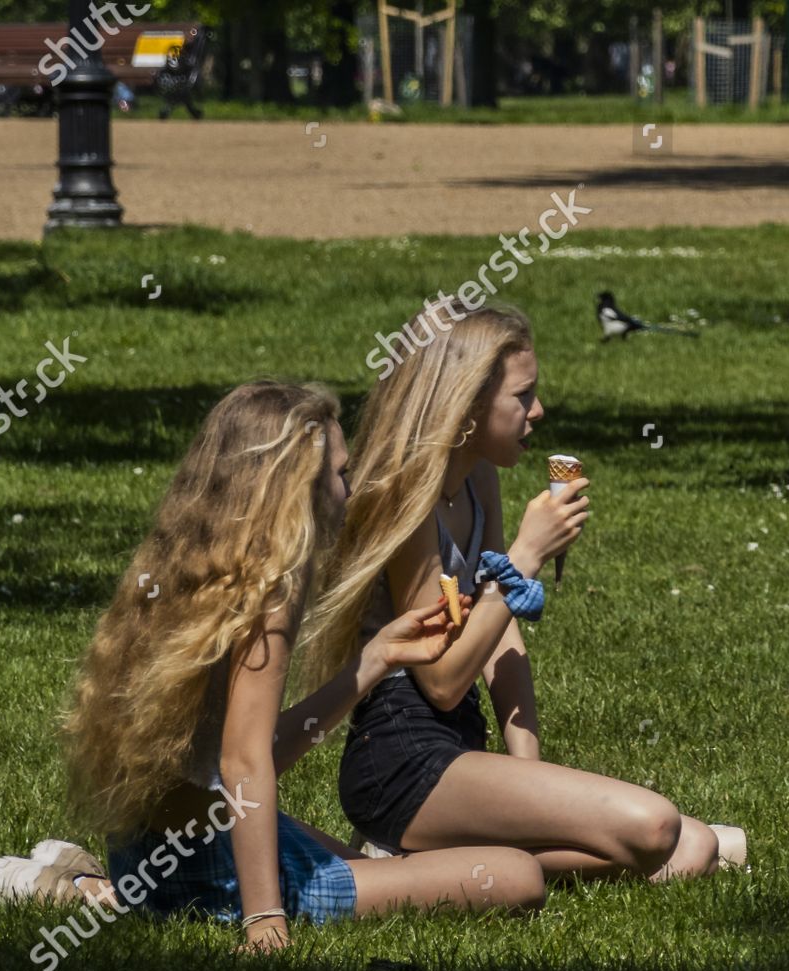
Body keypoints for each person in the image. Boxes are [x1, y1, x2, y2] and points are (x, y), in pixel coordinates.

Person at [0, 382, 545, 951]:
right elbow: (245, 761)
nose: (350, 492)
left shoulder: (197, 557)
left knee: (372, 865)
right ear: (294, 488)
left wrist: (376, 659)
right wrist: (264, 921)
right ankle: (95, 892)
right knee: (516, 876)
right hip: (205, 857)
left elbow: (244, 751)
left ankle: (100, 883)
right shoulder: (272, 590)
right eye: (340, 473)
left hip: (158, 838)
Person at [302, 305, 745, 880]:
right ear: (465, 407)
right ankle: (406, 850)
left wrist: (527, 774)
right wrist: (524, 558)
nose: (538, 411)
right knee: (659, 827)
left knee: (700, 848)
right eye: (522, 396)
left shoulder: (477, 478)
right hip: (402, 761)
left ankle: (435, 858)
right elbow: (439, 682)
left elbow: (499, 629)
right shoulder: (403, 499)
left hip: (461, 748)